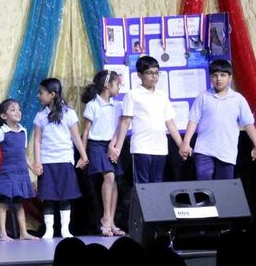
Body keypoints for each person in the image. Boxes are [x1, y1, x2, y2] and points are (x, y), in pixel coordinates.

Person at [179, 59, 256, 180]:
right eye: (215, 75)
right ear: (210, 78)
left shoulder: (238, 99)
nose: (218, 79)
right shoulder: (203, 97)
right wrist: (186, 142)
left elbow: (248, 124)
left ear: (230, 78)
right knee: (204, 182)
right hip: (204, 149)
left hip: (226, 151)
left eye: (223, 75)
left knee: (223, 187)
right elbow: (193, 120)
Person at [113, 56, 183, 184]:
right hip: (141, 147)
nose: (154, 76)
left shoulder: (162, 95)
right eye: (149, 73)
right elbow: (125, 122)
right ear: (139, 75)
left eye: (156, 73)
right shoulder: (133, 94)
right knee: (143, 184)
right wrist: (118, 147)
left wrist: (181, 145)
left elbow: (170, 122)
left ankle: (157, 205)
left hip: (160, 147)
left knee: (158, 182)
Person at [33, 78, 88, 239]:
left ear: (52, 94)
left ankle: (65, 229)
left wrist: (84, 156)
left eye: (41, 92)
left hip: (64, 159)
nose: (39, 96)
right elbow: (37, 139)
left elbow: (76, 137)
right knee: (48, 197)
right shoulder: (40, 116)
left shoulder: (68, 113)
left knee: (65, 196)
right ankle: (49, 229)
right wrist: (37, 161)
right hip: (48, 160)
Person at [0, 99, 37, 242]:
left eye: (18, 109)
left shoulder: (23, 131)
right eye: (12, 109)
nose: (17, 112)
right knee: (4, 202)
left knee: (19, 202)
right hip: (8, 173)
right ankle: (3, 233)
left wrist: (33, 168)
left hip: (21, 172)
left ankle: (23, 232)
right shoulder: (1, 132)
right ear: (4, 116)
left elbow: (23, 154)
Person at [80, 70, 124, 236]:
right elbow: (86, 132)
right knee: (109, 177)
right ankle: (105, 218)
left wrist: (113, 144)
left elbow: (119, 128)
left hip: (111, 144)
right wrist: (83, 155)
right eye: (117, 84)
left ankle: (111, 221)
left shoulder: (117, 105)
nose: (119, 87)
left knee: (115, 181)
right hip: (96, 145)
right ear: (107, 85)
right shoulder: (92, 105)